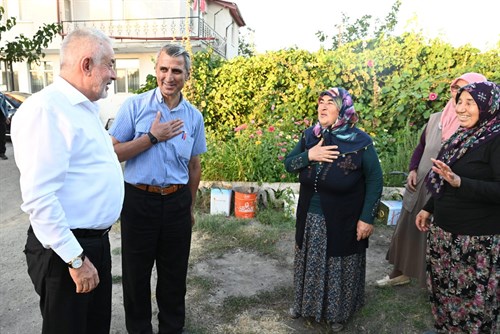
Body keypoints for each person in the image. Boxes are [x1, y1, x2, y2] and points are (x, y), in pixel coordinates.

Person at [10, 27, 124, 334]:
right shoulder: (46, 110)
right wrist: (76, 260)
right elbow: (40, 197)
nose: (113, 75)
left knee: (94, 327)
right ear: (86, 65)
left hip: (91, 244)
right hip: (66, 251)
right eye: (109, 64)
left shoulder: (83, 108)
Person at [108, 44, 206, 334]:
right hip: (139, 201)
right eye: (164, 69)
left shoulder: (194, 117)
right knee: (136, 277)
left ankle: (171, 329)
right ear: (156, 71)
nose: (169, 76)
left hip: (176, 201)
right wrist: (151, 137)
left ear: (187, 75)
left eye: (177, 70)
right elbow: (113, 153)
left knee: (174, 277)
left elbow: (194, 166)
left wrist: (187, 207)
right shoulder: (134, 107)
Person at [284, 87, 383, 332]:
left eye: (330, 102)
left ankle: (338, 312)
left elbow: (375, 180)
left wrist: (366, 218)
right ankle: (304, 304)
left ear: (343, 109)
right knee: (309, 259)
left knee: (339, 262)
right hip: (309, 214)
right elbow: (289, 164)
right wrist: (311, 154)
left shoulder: (360, 142)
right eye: (321, 102)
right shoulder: (310, 136)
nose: (323, 107)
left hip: (344, 216)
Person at [376, 72, 487, 287]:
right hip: (421, 183)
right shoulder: (437, 117)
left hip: (445, 188)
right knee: (407, 228)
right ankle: (399, 273)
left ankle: (433, 283)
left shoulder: (475, 124)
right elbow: (421, 147)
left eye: (466, 91)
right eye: (456, 89)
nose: (458, 95)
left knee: (433, 234)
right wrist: (412, 169)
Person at [416, 81, 500, 334]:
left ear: (488, 105)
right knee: (445, 293)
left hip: (476, 241)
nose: (461, 108)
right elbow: (445, 178)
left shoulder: (496, 139)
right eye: (459, 101)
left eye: (470, 102)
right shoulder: (461, 136)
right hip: (445, 235)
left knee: (474, 304)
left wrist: (460, 182)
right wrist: (428, 207)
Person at [0, 92, 8, 160]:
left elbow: (4, 106)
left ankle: (2, 153)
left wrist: (6, 117)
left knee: (2, 136)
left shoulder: (1, 95)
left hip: (1, 118)